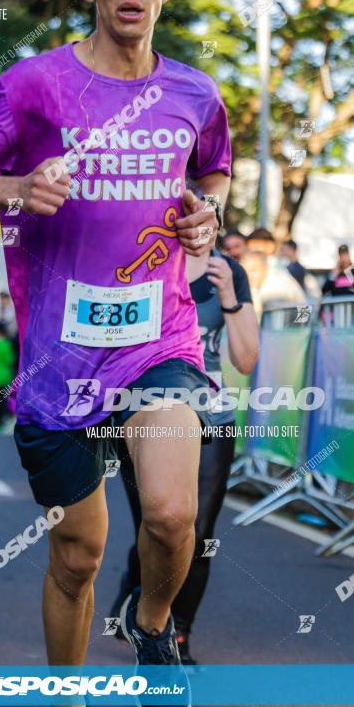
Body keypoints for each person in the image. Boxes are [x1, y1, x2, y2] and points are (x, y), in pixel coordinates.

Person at [0, 0, 231, 691]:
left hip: (156, 339)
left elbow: (214, 170)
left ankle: (153, 623)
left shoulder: (194, 93)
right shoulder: (36, 84)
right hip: (56, 357)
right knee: (78, 555)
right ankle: (65, 690)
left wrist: (211, 210)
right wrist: (16, 186)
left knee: (170, 515)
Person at [111, 246, 259, 662]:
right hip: (145, 406)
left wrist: (229, 295)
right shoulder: (138, 254)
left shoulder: (227, 271)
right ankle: (137, 594)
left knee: (199, 530)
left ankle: (176, 633)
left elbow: (246, 360)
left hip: (212, 414)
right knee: (157, 521)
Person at [245, 228, 306, 313]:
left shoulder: (279, 277)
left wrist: (300, 325)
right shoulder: (248, 279)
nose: (250, 275)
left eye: (256, 248)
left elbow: (304, 307)